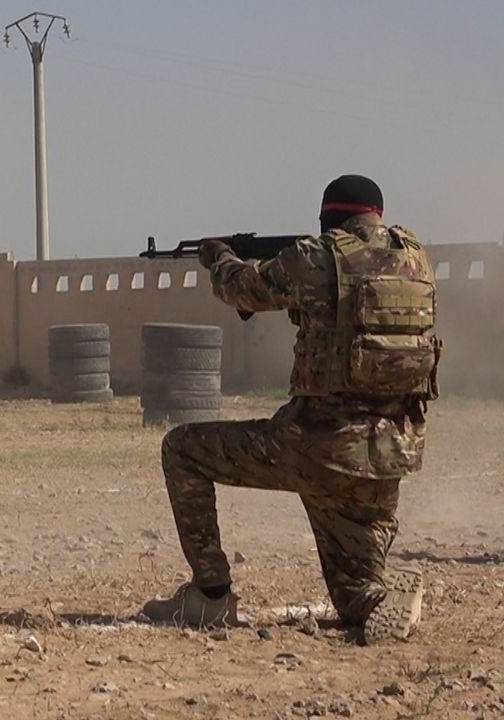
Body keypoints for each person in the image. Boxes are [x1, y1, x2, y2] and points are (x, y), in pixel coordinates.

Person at [142, 174, 439, 644]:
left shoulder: (316, 258)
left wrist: (218, 254)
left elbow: (242, 289)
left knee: (181, 449)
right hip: (388, 458)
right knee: (356, 598)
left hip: (315, 448)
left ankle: (211, 594)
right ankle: (384, 600)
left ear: (328, 217)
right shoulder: (416, 259)